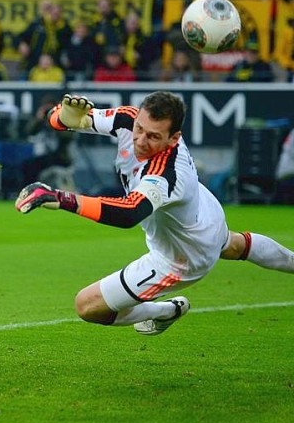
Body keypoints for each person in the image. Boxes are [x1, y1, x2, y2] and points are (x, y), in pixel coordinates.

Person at [15, 91, 294, 336]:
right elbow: (63, 121)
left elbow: (129, 213)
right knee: (236, 245)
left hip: (183, 255)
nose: (141, 140)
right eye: (139, 129)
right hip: (204, 214)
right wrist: (61, 116)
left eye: (153, 136)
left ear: (174, 138)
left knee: (87, 306)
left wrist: (63, 199)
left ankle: (163, 311)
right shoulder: (128, 118)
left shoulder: (168, 173)